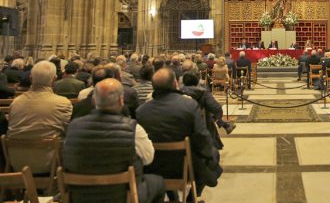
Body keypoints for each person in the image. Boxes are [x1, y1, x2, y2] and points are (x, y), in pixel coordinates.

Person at [63, 78, 165, 203]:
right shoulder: (133, 129)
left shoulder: (73, 127)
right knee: (157, 182)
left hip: (80, 195)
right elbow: (148, 158)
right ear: (121, 101)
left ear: (94, 100)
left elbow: (66, 158)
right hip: (122, 195)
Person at [136, 68, 222, 198]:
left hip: (152, 167)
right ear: (176, 83)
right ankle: (191, 199)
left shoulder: (141, 111)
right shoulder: (188, 105)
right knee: (212, 156)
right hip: (183, 167)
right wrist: (210, 155)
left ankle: (173, 198)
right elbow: (201, 137)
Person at [7, 60, 73, 174]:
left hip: (17, 164)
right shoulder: (63, 103)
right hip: (50, 165)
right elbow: (68, 133)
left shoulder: (16, 102)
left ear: (31, 78)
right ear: (54, 80)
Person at [180, 71, 236, 149]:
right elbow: (217, 109)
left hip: (180, 130)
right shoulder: (202, 92)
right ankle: (224, 125)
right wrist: (217, 117)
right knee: (208, 113)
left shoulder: (177, 93)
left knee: (207, 111)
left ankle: (225, 125)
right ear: (197, 81)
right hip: (201, 128)